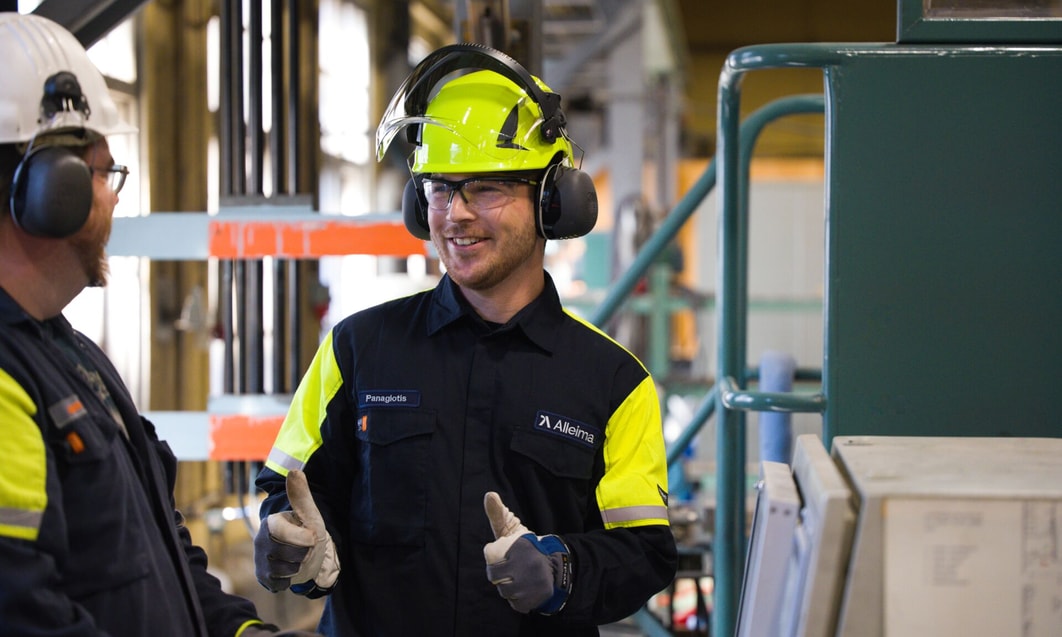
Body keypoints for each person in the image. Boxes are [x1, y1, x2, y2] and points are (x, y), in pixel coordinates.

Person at [253, 43, 678, 636]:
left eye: (485, 188)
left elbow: (644, 551)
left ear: (552, 201)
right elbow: (295, 490)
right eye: (439, 188)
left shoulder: (614, 383)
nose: (455, 214)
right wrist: (290, 540)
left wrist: (563, 569)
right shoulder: (357, 348)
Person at [0, 13, 317, 637]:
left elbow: (163, 557)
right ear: (49, 189)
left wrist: (243, 633)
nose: (115, 196)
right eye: (103, 172)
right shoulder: (10, 379)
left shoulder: (73, 358)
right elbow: (23, 612)